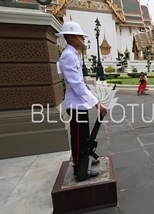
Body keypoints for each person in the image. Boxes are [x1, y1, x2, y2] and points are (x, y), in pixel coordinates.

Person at [56, 21, 107, 179]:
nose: (83, 40)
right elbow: (77, 85)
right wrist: (97, 103)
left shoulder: (71, 55)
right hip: (76, 104)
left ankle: (84, 160)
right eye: (80, 36)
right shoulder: (68, 56)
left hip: (79, 104)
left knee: (84, 136)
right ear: (71, 38)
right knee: (79, 137)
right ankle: (79, 169)